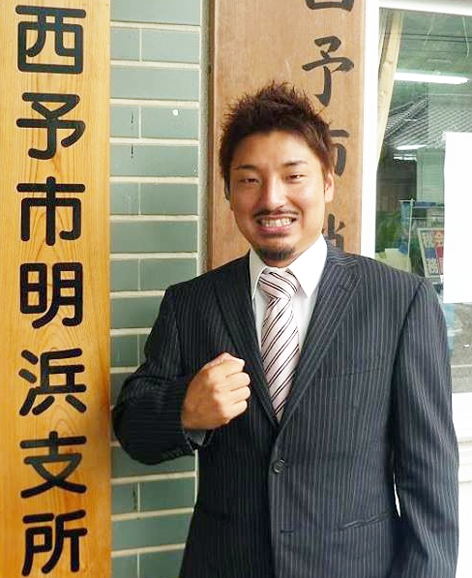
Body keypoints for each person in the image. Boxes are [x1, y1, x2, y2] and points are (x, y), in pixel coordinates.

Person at [113, 83, 459, 578]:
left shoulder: (400, 301)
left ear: (327, 182)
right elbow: (132, 426)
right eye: (249, 180)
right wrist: (185, 410)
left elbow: (430, 481)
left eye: (294, 176)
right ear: (228, 192)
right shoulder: (190, 304)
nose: (272, 199)